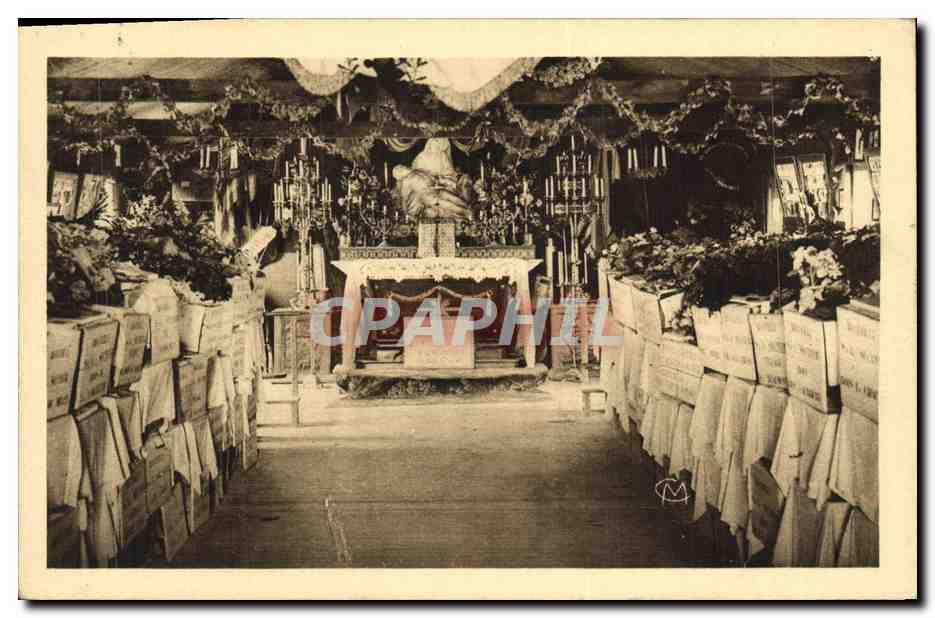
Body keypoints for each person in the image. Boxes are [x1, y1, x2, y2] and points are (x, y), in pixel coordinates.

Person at [394, 138, 475, 221]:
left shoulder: (418, 171)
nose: (404, 167)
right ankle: (465, 211)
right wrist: (406, 213)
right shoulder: (409, 177)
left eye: (402, 167)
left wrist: (441, 180)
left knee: (450, 196)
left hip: (437, 187)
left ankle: (466, 207)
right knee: (447, 203)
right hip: (429, 195)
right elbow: (404, 198)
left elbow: (444, 173)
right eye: (401, 169)